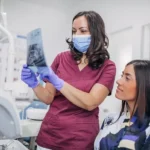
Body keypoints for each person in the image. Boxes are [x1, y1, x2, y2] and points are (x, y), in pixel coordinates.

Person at [21, 11, 116, 150]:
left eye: (83, 31)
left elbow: (90, 102)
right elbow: (48, 97)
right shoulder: (61, 58)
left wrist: (58, 82)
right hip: (50, 136)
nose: (77, 35)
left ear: (96, 33)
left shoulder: (107, 66)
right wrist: (34, 84)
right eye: (74, 31)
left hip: (80, 140)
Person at [94, 60, 150, 150]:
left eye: (127, 78)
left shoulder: (147, 128)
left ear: (144, 85)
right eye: (122, 76)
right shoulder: (110, 120)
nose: (118, 81)